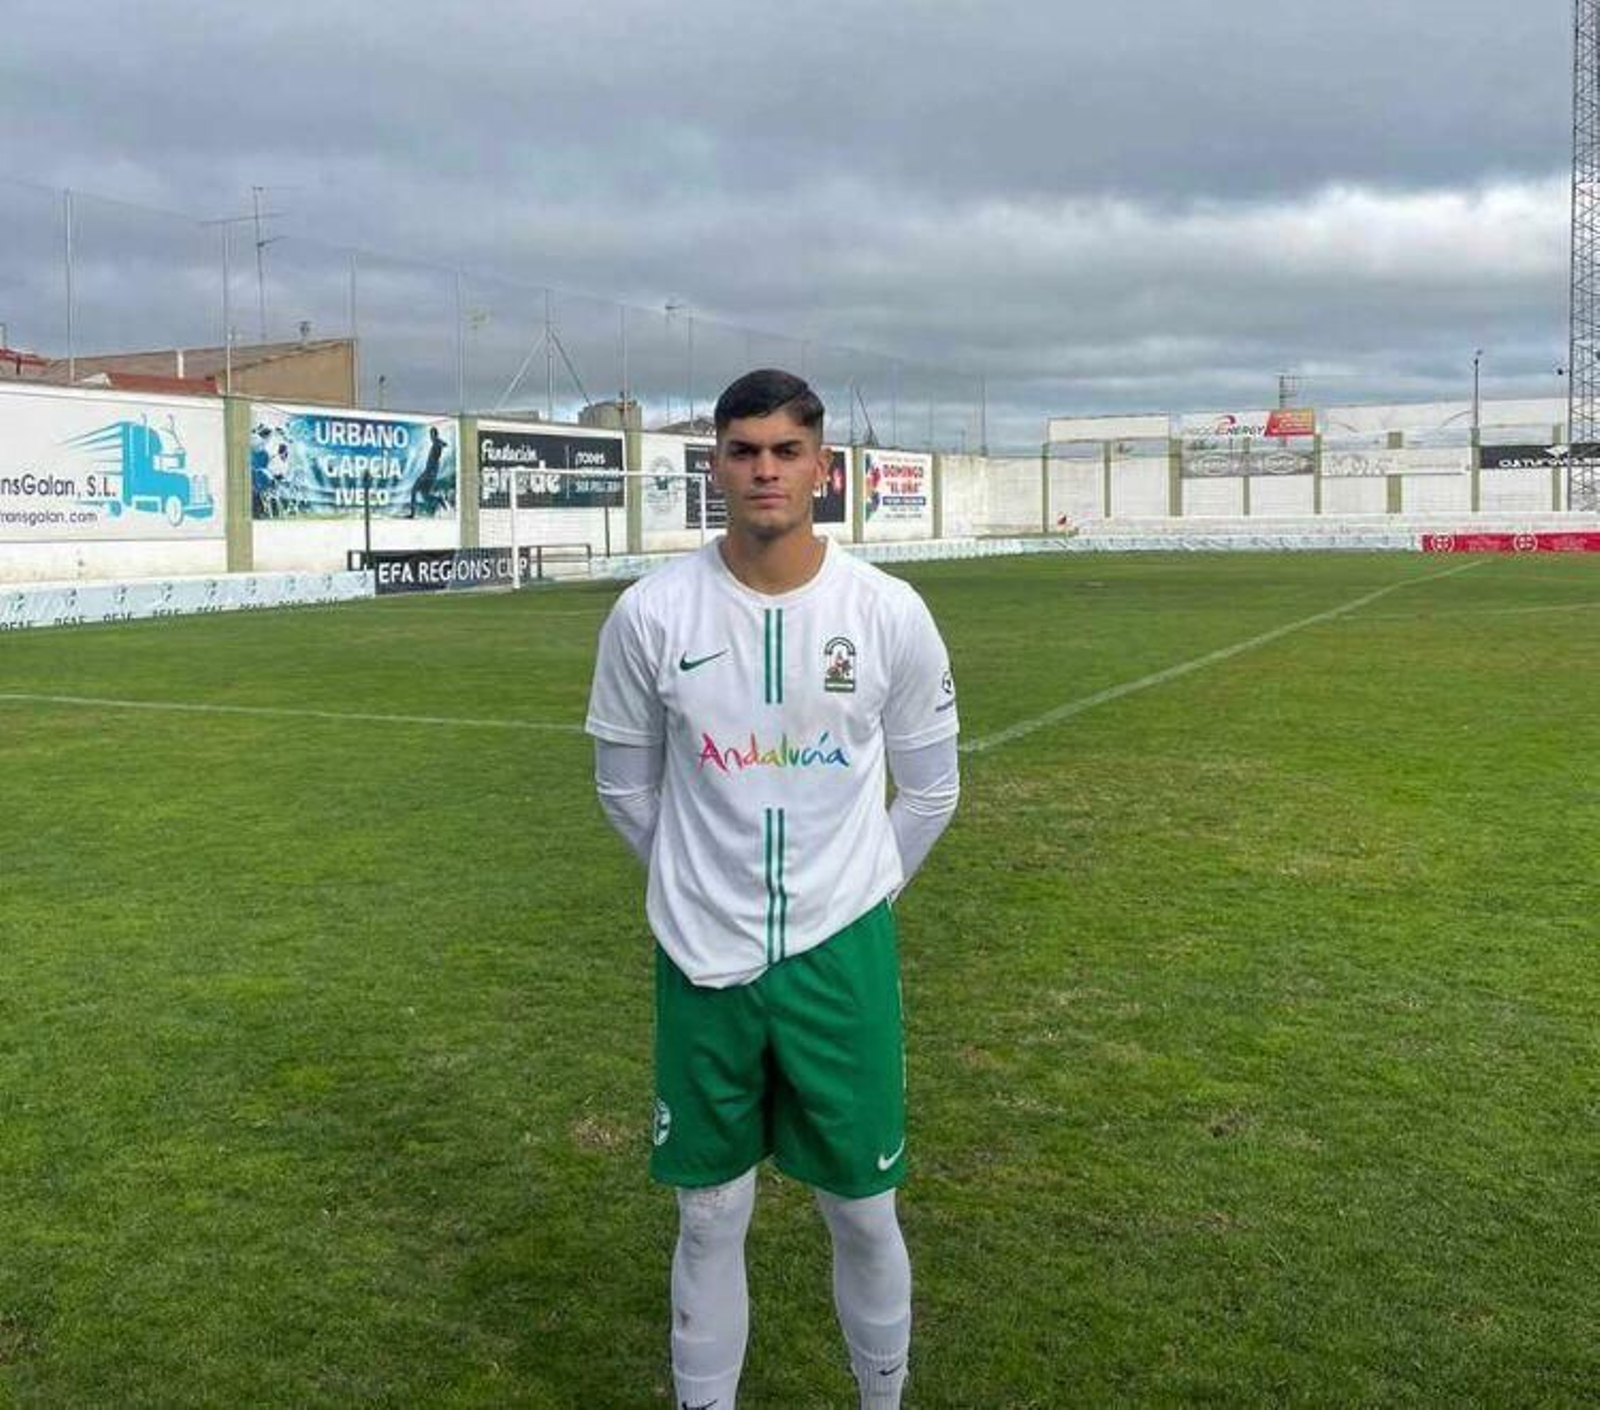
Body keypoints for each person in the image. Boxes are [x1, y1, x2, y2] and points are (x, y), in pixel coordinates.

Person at [586, 369, 960, 1409]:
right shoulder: (651, 613)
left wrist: (855, 897)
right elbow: (623, 788)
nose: (765, 470)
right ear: (715, 465)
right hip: (702, 956)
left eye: (786, 452)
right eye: (744, 450)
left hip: (843, 958)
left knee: (863, 1210)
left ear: (822, 469)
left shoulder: (886, 611)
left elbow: (932, 790)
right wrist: (702, 886)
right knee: (708, 1214)